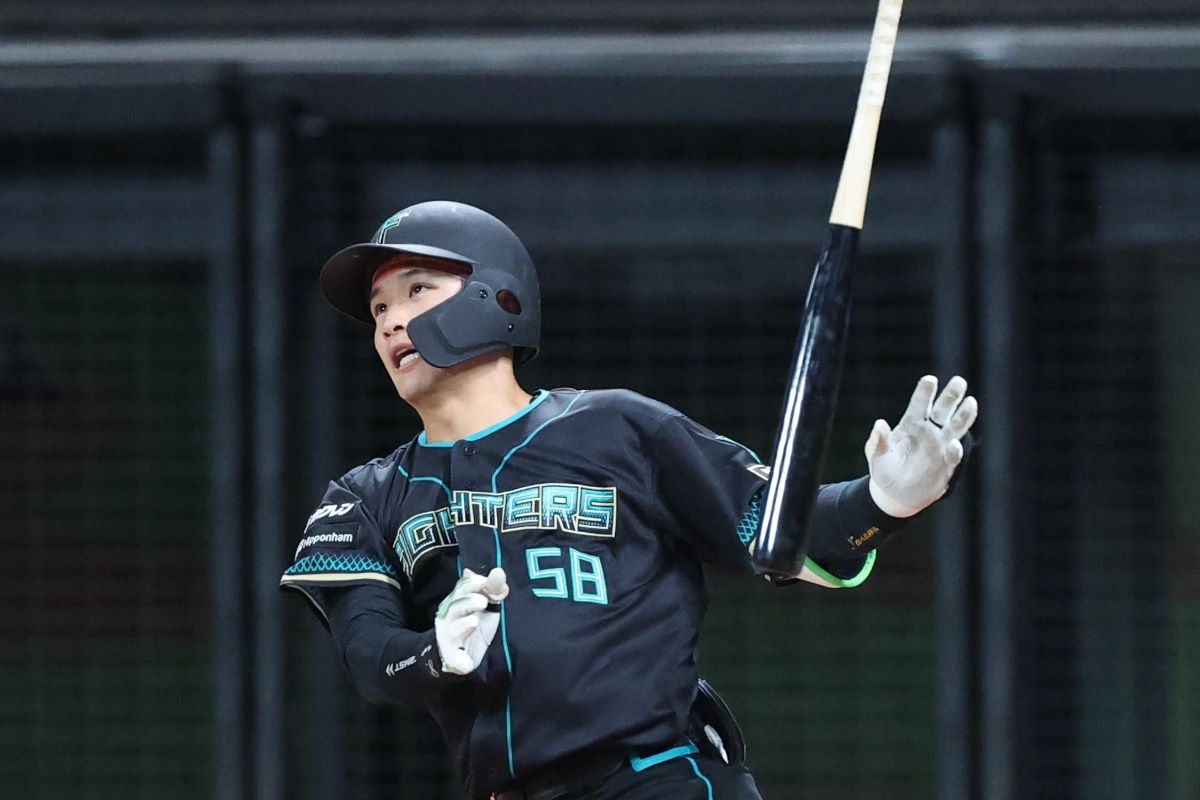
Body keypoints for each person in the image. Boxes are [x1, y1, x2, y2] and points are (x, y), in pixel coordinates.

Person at [280, 201, 978, 800]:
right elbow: (371, 658)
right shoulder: (365, 497)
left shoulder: (616, 428)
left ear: (499, 297)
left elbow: (787, 537)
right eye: (378, 308)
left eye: (417, 290)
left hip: (657, 779)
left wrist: (884, 500)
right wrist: (431, 653)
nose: (390, 322)